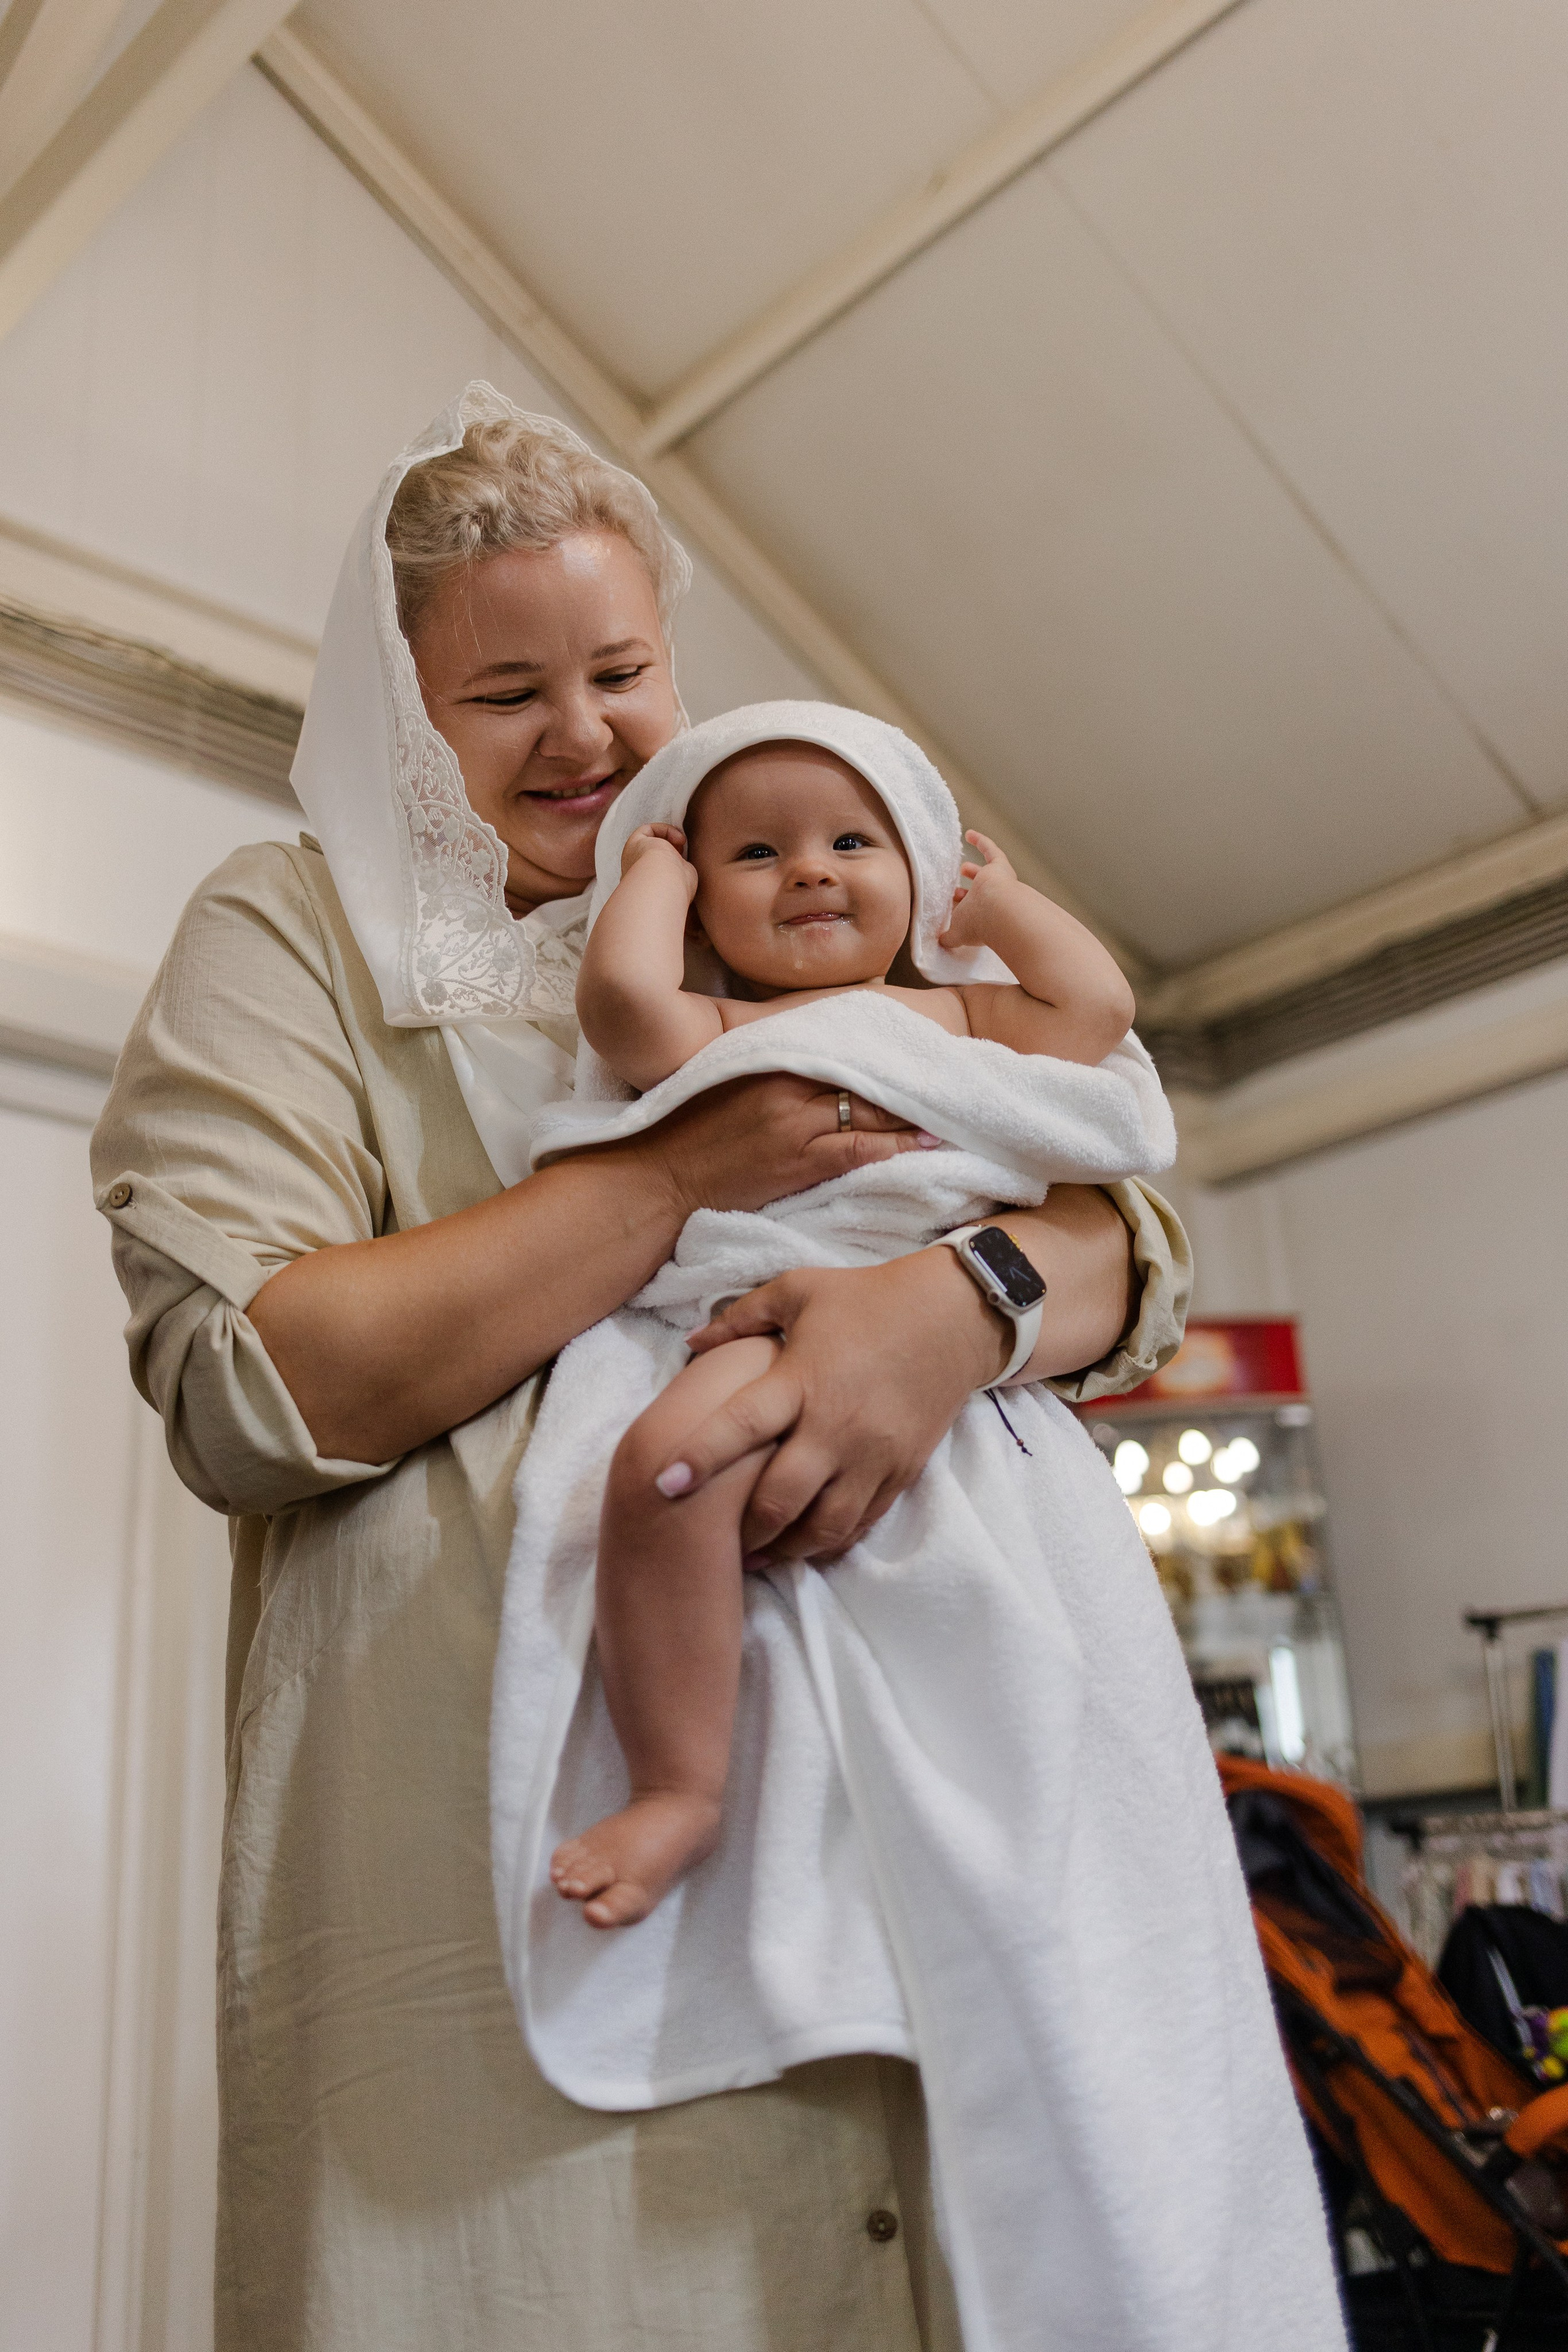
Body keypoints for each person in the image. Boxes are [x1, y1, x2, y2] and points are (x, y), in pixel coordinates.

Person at [91, 383, 1192, 2352]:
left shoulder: (789, 880)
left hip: (934, 1835)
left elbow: (1121, 1211)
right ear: (398, 705)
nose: (585, 734)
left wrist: (963, 1306)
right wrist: (686, 1171)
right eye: (504, 691)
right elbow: (254, 1389)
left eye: (621, 669)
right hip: (498, 1864)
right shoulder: (299, 940)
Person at [552, 739, 1138, 1926]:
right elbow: (619, 1005)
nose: (809, 872)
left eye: (849, 844)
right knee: (661, 1473)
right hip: (775, 1303)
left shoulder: (962, 1007)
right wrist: (648, 876)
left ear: (916, 876)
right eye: (756, 854)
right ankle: (678, 1783)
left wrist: (1005, 910)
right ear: (706, 904)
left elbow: (1092, 1010)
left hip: (946, 1315)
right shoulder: (720, 1023)